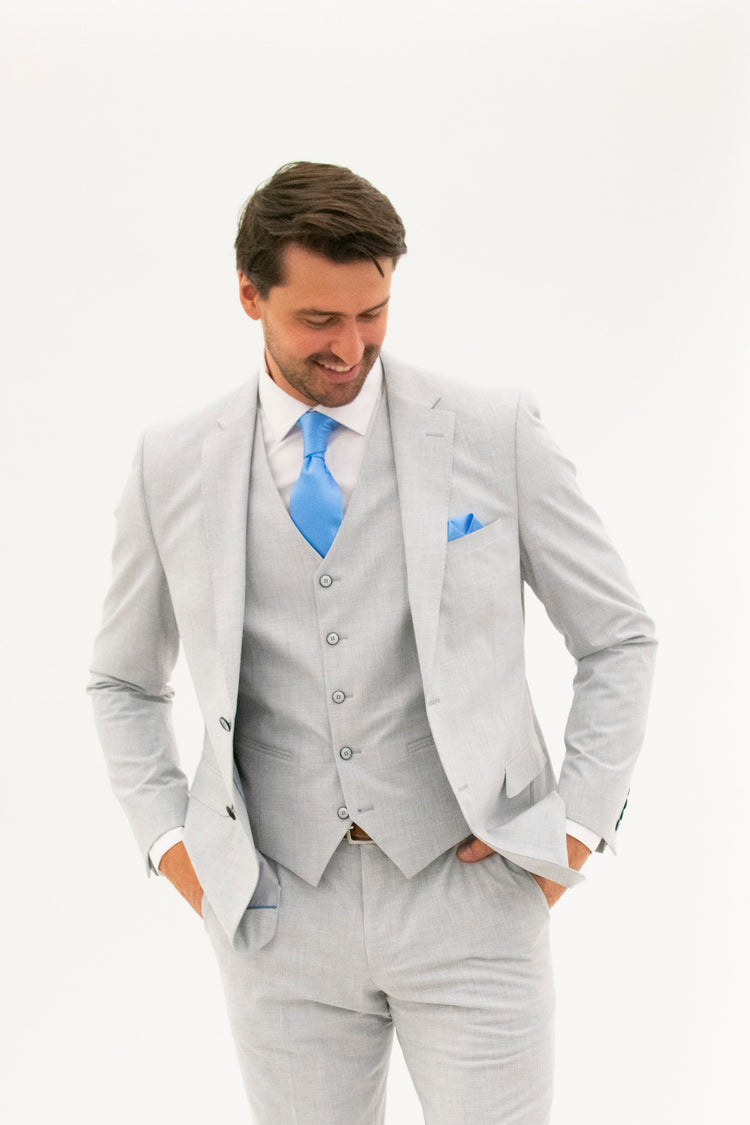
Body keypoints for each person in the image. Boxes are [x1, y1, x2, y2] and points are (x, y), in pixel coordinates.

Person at [89, 161, 656, 1124]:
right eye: (319, 320)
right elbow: (120, 678)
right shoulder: (171, 462)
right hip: (276, 910)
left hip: (474, 894)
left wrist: (573, 826)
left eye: (374, 312)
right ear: (248, 295)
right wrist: (177, 846)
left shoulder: (492, 428)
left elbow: (619, 635)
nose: (351, 346)